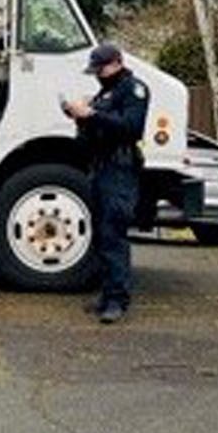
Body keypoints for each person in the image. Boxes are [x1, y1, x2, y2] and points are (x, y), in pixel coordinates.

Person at [63, 43, 149, 323]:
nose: (98, 75)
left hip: (119, 168)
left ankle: (117, 300)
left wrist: (93, 114)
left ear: (117, 63)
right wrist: (78, 114)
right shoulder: (107, 91)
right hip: (100, 167)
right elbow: (97, 125)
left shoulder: (133, 89)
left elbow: (130, 127)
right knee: (100, 233)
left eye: (101, 69)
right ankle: (106, 294)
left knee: (113, 233)